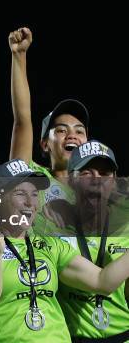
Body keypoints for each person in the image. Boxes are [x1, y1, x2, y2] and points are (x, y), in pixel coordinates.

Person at [0, 159, 129, 342]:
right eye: (20, 194)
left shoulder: (50, 245)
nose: (29, 202)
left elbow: (102, 282)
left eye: (34, 194)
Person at [7, 27, 90, 234]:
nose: (72, 135)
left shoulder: (97, 188)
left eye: (80, 131)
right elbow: (22, 121)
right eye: (61, 130)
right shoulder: (32, 176)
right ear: (45, 144)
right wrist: (19, 56)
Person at [56, 141, 129, 342]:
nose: (97, 180)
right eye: (87, 173)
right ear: (71, 180)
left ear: (114, 181)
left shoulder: (126, 225)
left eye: (105, 174)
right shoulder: (53, 226)